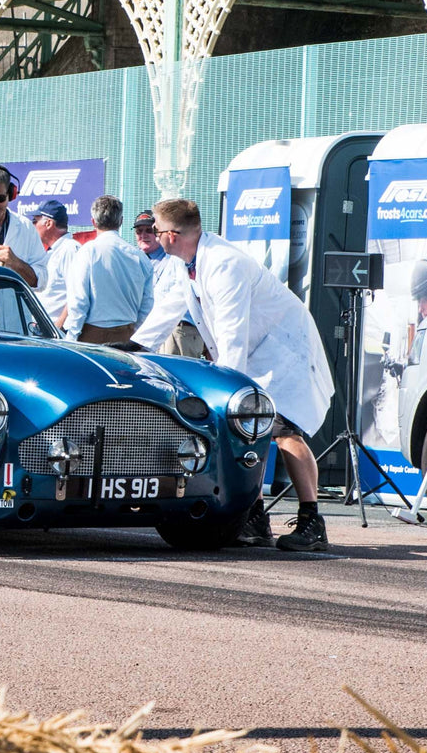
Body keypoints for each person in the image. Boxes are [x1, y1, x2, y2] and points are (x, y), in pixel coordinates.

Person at [135, 199, 334, 552]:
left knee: (284, 431)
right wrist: (135, 346)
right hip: (260, 354)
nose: (152, 236)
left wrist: (227, 392)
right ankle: (255, 520)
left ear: (172, 235)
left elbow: (232, 334)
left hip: (285, 356)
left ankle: (312, 522)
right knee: (249, 436)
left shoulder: (225, 265)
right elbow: (170, 308)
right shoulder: (189, 261)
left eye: (156, 230)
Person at [64, 196, 153, 344]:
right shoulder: (139, 257)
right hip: (127, 334)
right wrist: (135, 334)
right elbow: (147, 304)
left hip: (91, 336)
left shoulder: (87, 252)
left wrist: (71, 338)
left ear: (93, 222)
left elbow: (78, 301)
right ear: (121, 221)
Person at [133, 210, 204, 357]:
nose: (143, 235)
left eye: (149, 231)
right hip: (152, 330)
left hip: (178, 330)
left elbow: (178, 298)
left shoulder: (174, 257)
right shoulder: (136, 259)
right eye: (139, 231)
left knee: (177, 377)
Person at [31, 200, 80, 330]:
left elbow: (77, 293)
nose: (33, 225)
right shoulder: (53, 251)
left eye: (35, 221)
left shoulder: (70, 249)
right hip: (43, 329)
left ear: (48, 223)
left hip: (57, 331)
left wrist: (59, 326)